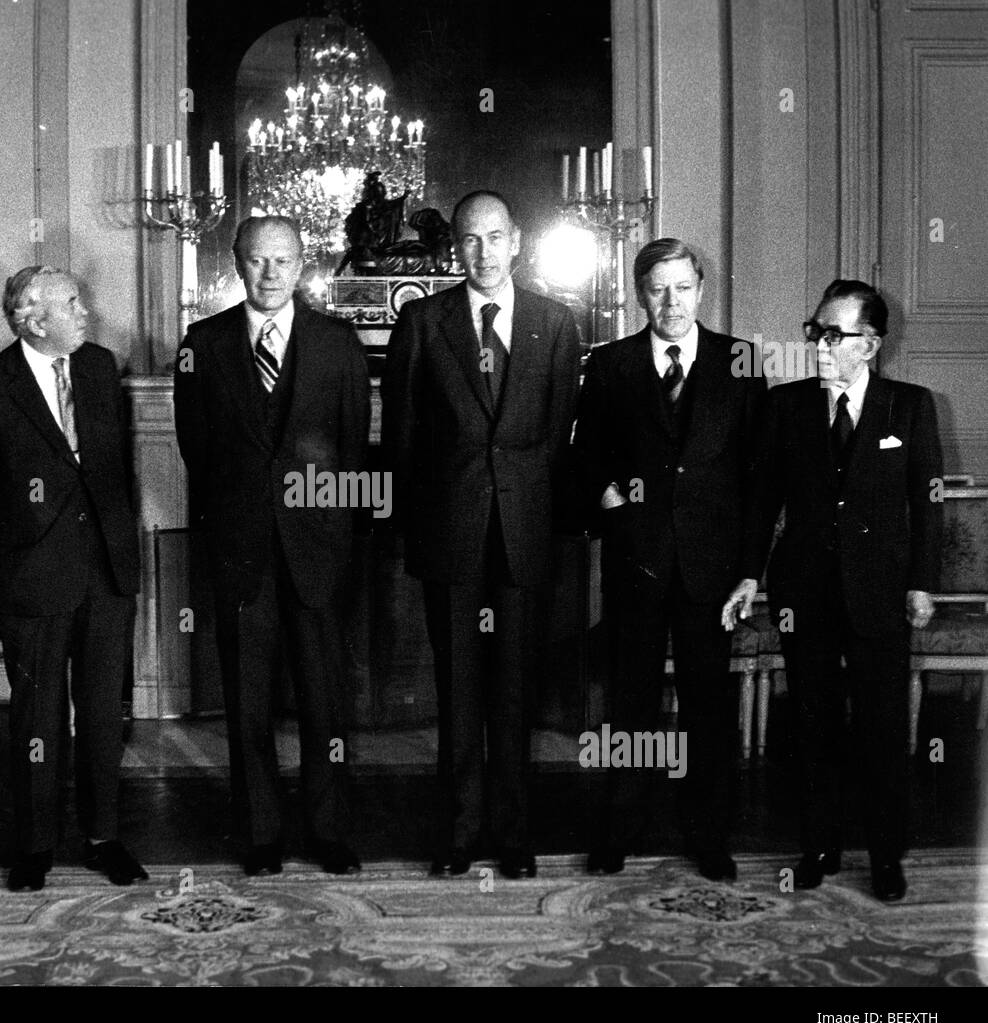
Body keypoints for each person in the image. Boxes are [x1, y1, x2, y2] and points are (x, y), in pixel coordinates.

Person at [381, 190, 582, 879]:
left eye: (495, 237)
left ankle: (515, 833)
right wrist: (414, 525)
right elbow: (404, 439)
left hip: (524, 532)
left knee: (516, 689)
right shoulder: (423, 321)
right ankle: (460, 833)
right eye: (469, 240)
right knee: (460, 687)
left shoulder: (557, 324)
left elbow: (557, 436)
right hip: (451, 532)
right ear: (454, 247)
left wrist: (528, 502)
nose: (483, 252)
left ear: (517, 241)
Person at [724, 279, 942, 902]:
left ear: (868, 345)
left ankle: (884, 856)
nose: (819, 344)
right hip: (804, 594)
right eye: (813, 330)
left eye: (833, 334)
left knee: (881, 726)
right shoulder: (785, 406)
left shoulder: (910, 407)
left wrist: (922, 584)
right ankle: (818, 844)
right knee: (814, 723)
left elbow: (926, 505)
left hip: (880, 593)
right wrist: (748, 573)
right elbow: (763, 501)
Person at [174, 216, 369, 876]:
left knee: (324, 703)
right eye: (258, 261)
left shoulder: (339, 344)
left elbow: (348, 450)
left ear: (301, 262)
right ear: (238, 263)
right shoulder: (201, 344)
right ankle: (260, 835)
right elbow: (195, 451)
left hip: (319, 554)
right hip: (242, 553)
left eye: (283, 260)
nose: (270, 273)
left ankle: (330, 831)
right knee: (248, 703)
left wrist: (339, 540)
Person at [574, 237, 765, 881]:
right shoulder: (609, 364)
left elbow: (756, 476)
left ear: (702, 289)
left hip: (711, 571)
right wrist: (616, 506)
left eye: (683, 287)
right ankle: (618, 831)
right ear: (640, 294)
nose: (671, 302)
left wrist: (748, 570)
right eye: (658, 289)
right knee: (629, 704)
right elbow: (587, 458)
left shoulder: (739, 362)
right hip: (637, 563)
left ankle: (708, 837)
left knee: (707, 704)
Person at [0, 266, 144, 892]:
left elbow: (118, 469)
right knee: (36, 716)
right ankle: (34, 846)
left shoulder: (98, 369)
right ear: (34, 320)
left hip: (106, 573)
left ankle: (103, 837)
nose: (86, 311)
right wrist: (22, 551)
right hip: (32, 580)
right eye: (72, 303)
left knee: (102, 713)